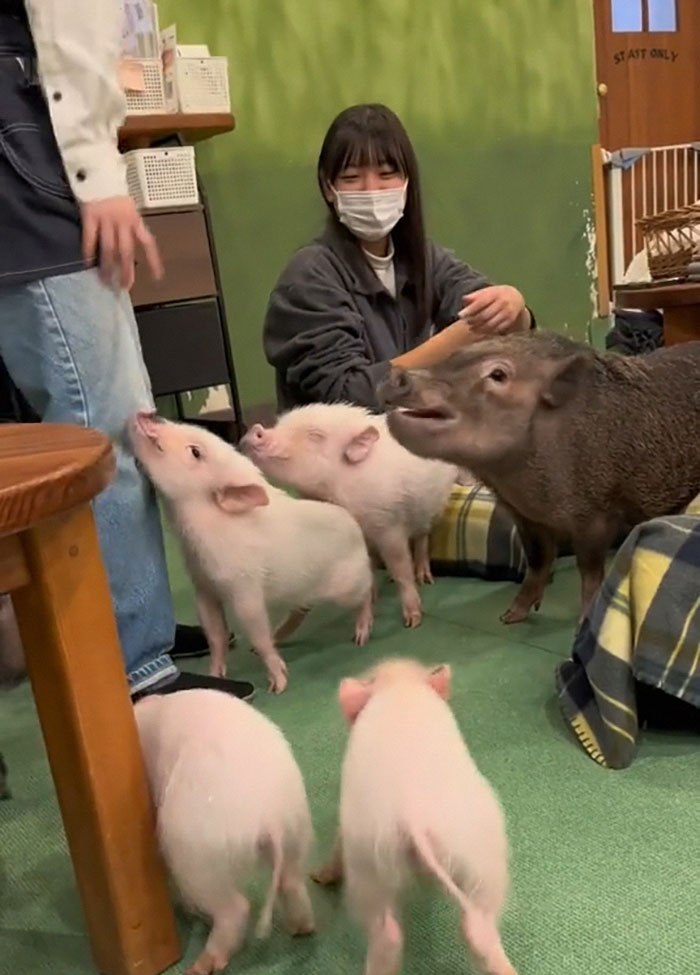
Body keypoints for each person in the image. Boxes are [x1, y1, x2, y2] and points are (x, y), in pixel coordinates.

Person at [0, 0, 254, 702]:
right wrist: (94, 170)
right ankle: (137, 671)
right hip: (26, 148)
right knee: (108, 429)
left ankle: (130, 637)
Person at [263, 103, 536, 411]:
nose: (371, 190)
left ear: (407, 181)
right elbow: (349, 396)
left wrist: (514, 306)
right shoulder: (309, 277)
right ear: (329, 187)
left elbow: (496, 316)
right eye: (352, 177)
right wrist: (458, 340)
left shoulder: (422, 258)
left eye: (386, 174)